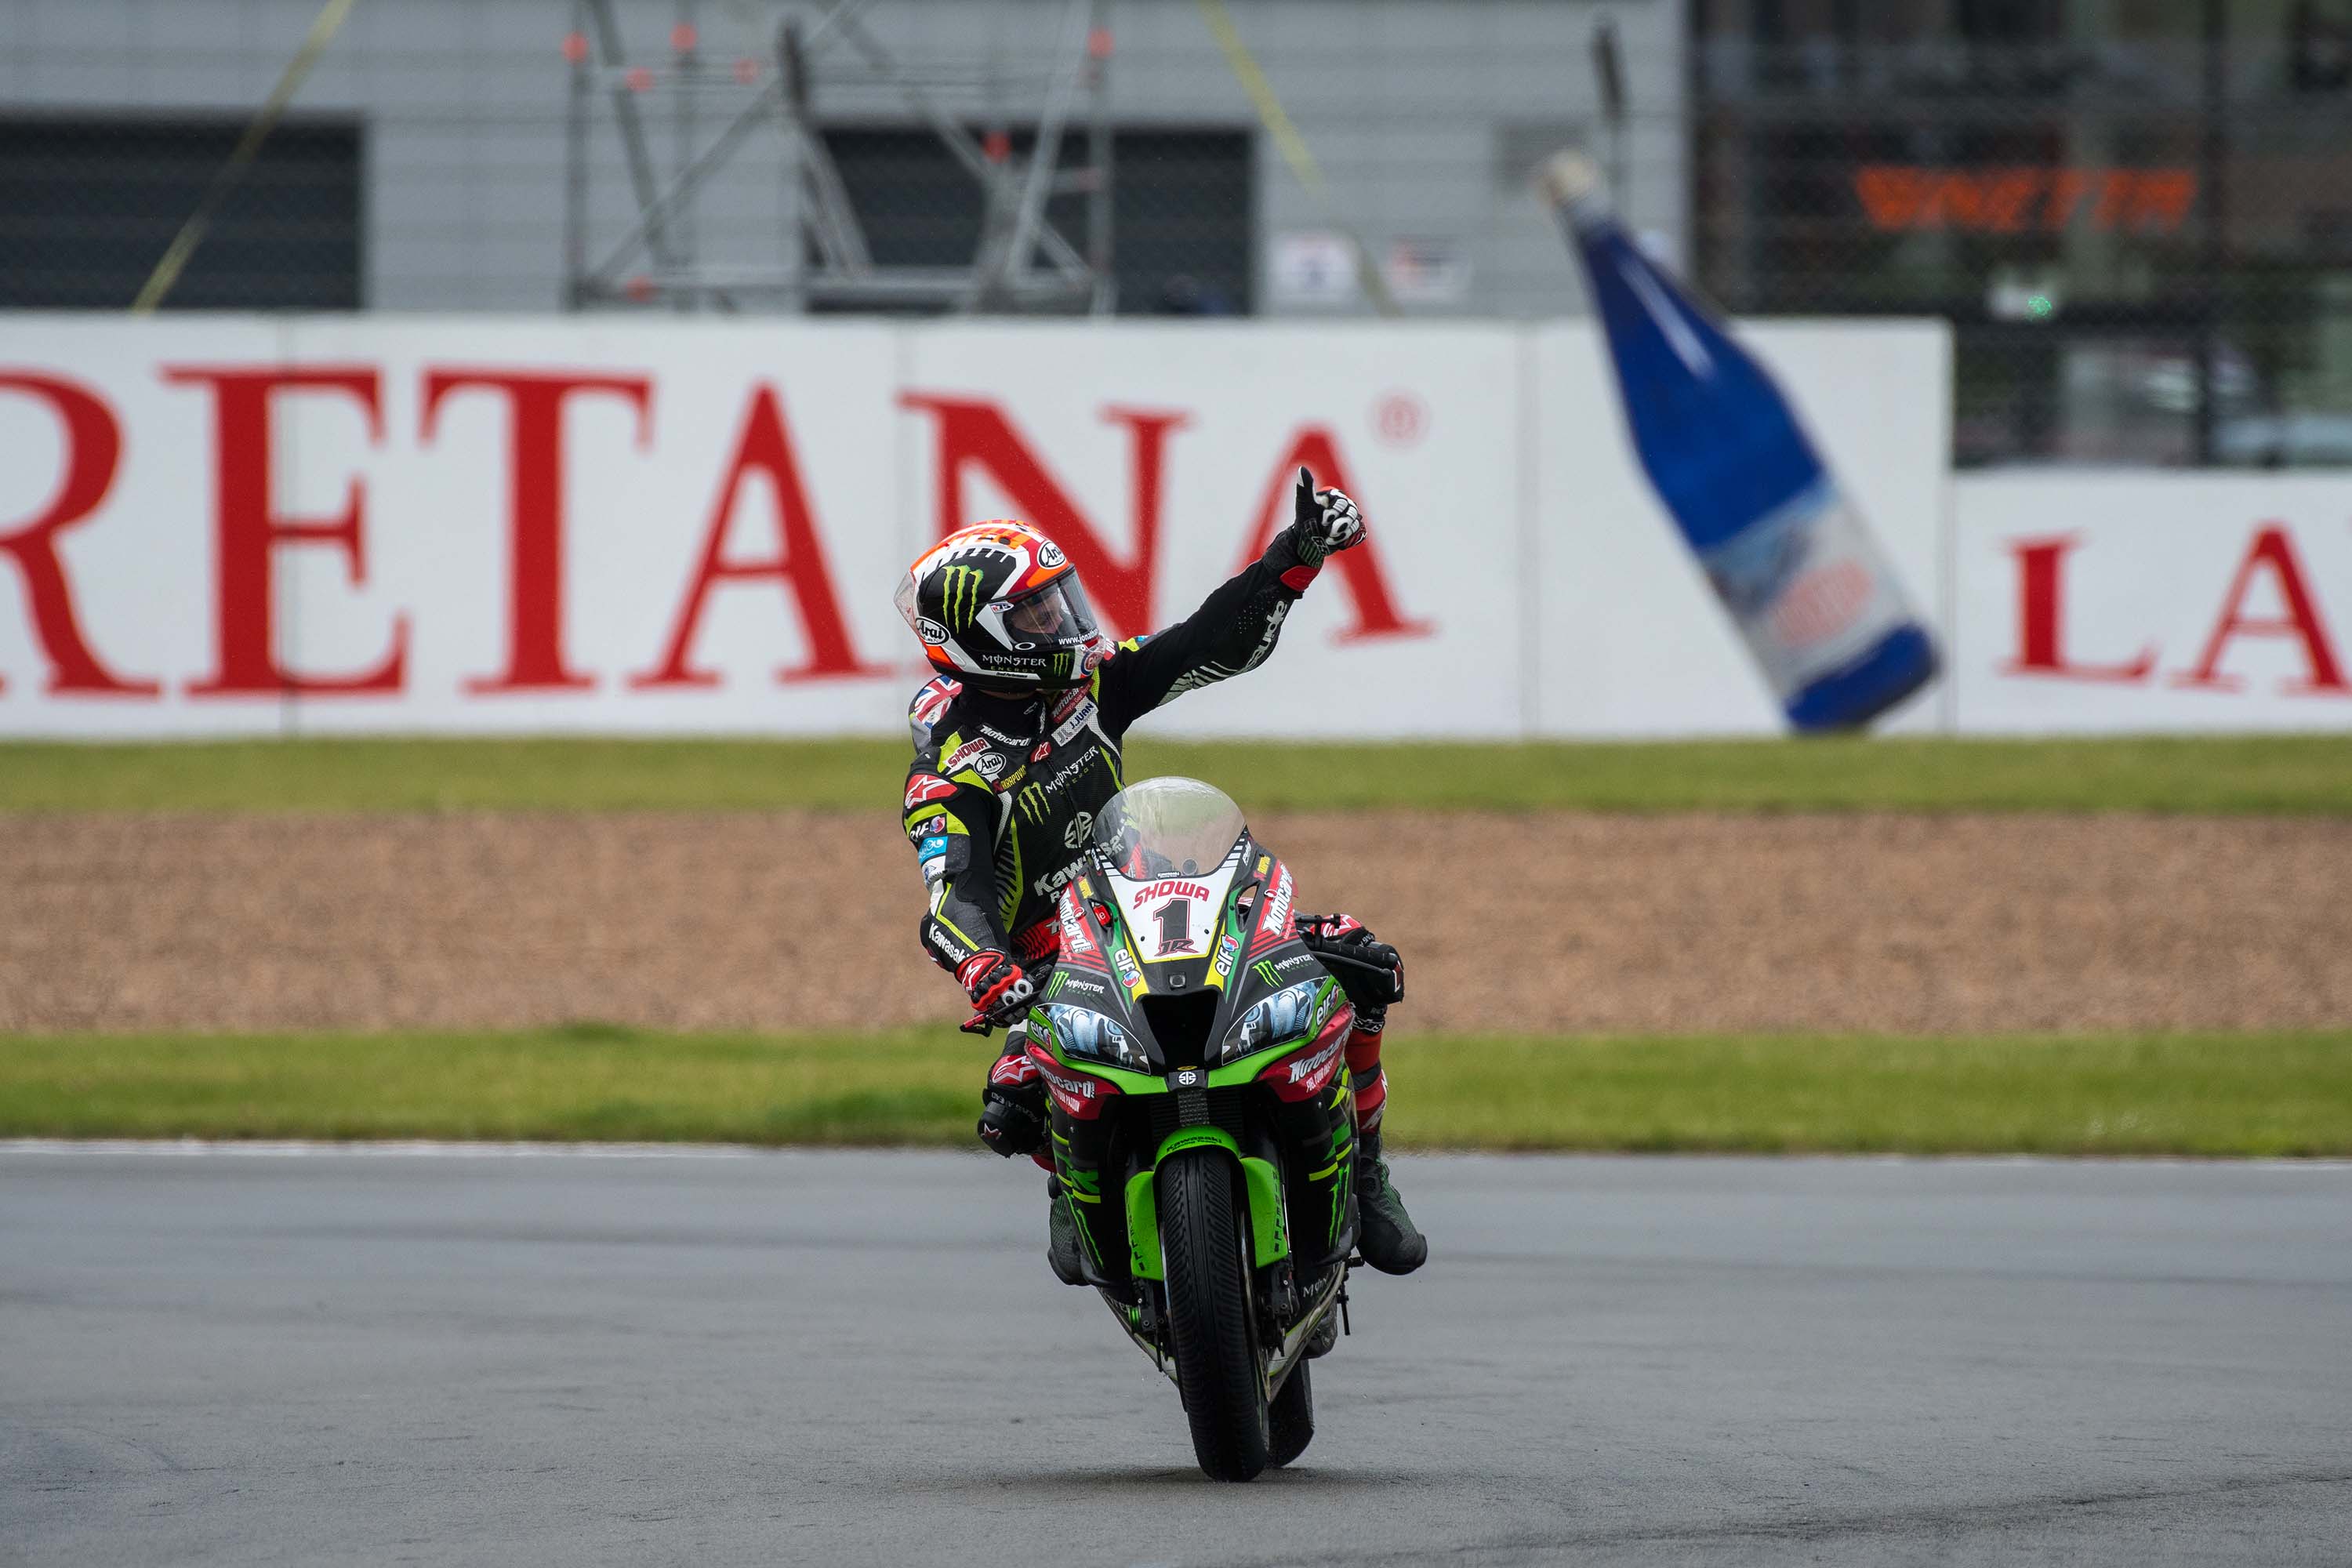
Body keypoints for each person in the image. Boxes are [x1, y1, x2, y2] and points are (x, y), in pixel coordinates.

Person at [895, 469, 1428, 1278]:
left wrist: (1295, 556)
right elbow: (952, 898)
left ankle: (1366, 1171)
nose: (1062, 621)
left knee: (1357, 960)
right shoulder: (952, 773)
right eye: (1035, 613)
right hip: (1056, 965)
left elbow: (1204, 643)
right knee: (1014, 1100)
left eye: (1058, 600)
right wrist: (987, 970)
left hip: (1155, 906)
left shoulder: (1085, 684)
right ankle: (1072, 1183)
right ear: (981, 637)